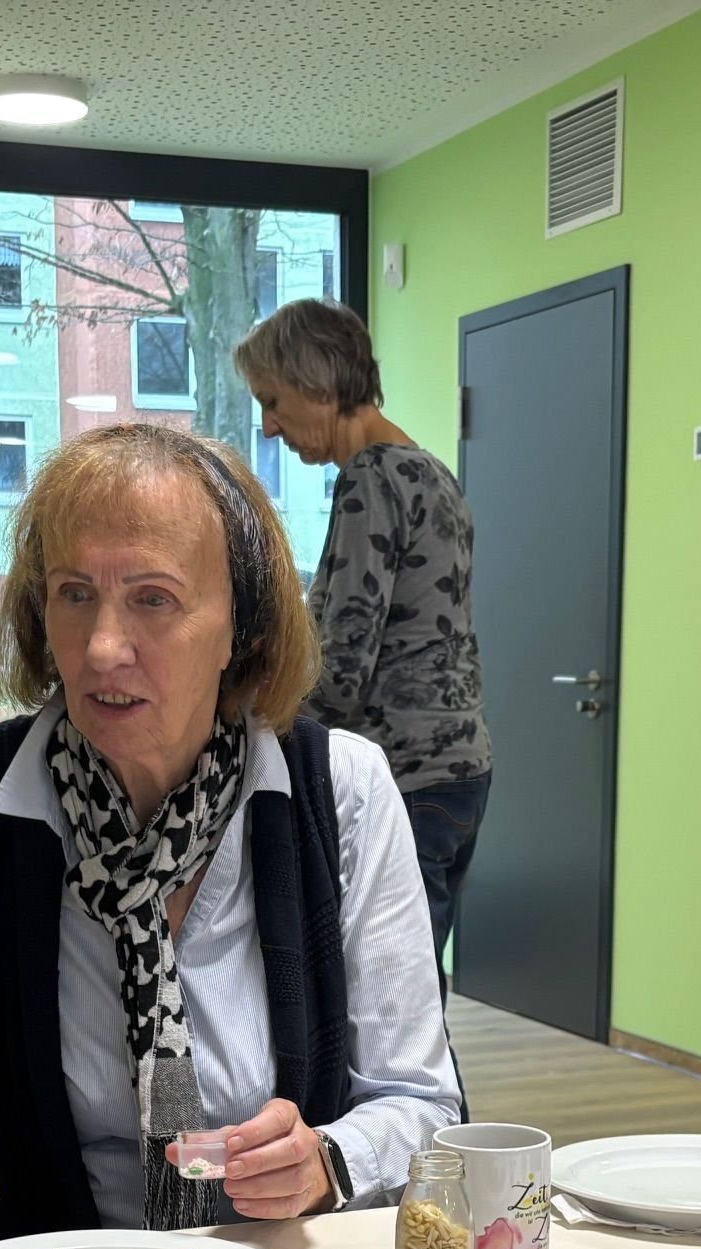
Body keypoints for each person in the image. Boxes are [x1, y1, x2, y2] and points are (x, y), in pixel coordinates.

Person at [0, 423, 461, 1249]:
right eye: (72, 594)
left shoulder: (339, 791)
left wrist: (326, 1163)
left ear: (241, 624)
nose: (101, 648)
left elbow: (420, 1101)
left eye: (153, 599)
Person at [232, 299, 488, 959]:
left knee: (393, 1016)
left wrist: (250, 726)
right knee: (416, 1001)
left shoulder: (370, 481)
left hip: (405, 778)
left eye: (273, 400)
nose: (269, 425)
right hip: (460, 770)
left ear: (317, 384)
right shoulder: (432, 471)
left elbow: (341, 666)